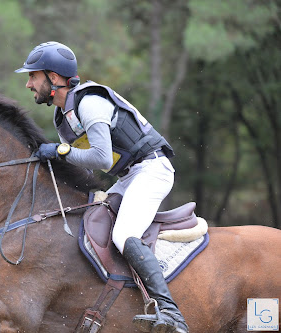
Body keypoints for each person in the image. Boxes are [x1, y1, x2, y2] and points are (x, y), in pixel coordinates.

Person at [15, 41, 188, 333]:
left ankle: (171, 313)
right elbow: (83, 164)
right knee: (90, 220)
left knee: (123, 234)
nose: (29, 84)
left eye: (33, 76)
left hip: (152, 170)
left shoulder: (89, 102)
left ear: (54, 78)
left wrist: (60, 152)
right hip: (129, 177)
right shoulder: (63, 117)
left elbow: (101, 157)